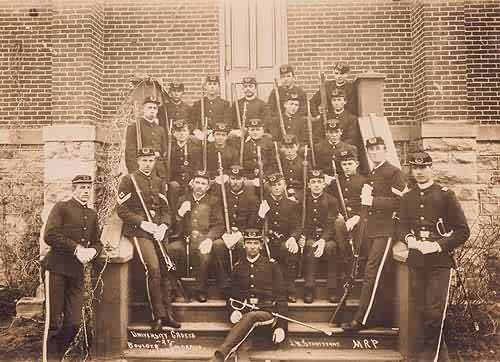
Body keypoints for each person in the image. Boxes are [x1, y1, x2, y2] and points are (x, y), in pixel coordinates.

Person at [399, 152, 470, 362]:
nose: (419, 172)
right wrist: (409, 238)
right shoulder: (407, 197)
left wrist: (438, 245)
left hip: (439, 263)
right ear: (411, 170)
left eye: (423, 168)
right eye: (415, 168)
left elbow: (462, 231)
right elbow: (400, 226)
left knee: (434, 313)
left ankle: (431, 359)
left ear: (431, 168)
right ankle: (431, 358)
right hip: (416, 261)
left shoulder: (446, 195)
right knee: (418, 313)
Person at [342, 136, 406, 332]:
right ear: (368, 153)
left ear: (385, 150)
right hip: (371, 230)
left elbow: (402, 203)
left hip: (386, 231)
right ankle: (384, 318)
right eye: (371, 150)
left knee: (372, 273)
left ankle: (361, 320)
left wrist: (373, 201)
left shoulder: (393, 172)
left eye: (379, 148)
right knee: (381, 275)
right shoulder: (372, 173)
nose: (375, 152)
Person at [117, 148, 181, 330]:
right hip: (140, 231)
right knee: (152, 268)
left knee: (165, 270)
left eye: (150, 160)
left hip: (158, 231)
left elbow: (166, 209)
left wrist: (163, 226)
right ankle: (157, 316)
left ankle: (169, 315)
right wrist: (143, 224)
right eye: (144, 160)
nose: (147, 163)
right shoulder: (129, 180)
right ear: (138, 161)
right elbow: (121, 210)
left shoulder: (159, 181)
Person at [42, 175, 102, 362]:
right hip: (56, 269)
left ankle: (57, 356)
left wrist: (93, 250)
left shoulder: (92, 214)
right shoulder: (62, 207)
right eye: (81, 187)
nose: (85, 191)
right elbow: (50, 235)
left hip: (76, 273)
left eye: (88, 187)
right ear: (74, 189)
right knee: (54, 323)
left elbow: (97, 242)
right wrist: (76, 248)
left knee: (74, 323)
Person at [209, 229, 287, 362]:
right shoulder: (238, 267)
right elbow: (232, 296)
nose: (252, 246)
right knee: (241, 346)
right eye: (249, 242)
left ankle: (219, 356)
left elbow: (281, 297)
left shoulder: (271, 265)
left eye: (255, 243)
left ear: (261, 245)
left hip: (267, 314)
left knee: (250, 317)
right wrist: (233, 311)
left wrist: (281, 326)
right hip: (245, 318)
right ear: (244, 245)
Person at [167, 170, 224, 302]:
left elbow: (219, 225)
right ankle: (173, 289)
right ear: (192, 184)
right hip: (184, 239)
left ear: (208, 187)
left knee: (205, 255)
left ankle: (200, 290)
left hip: (203, 239)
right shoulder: (182, 199)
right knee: (171, 250)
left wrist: (209, 239)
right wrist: (180, 214)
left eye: (203, 183)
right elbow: (173, 226)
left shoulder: (213, 201)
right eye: (197, 182)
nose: (199, 186)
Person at [299, 169, 345, 304]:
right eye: (313, 182)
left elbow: (331, 223)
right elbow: (301, 221)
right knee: (310, 246)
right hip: (310, 235)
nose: (316, 185)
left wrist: (323, 240)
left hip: (328, 237)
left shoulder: (332, 201)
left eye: (319, 182)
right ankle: (309, 288)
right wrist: (304, 236)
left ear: (324, 184)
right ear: (308, 185)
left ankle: (332, 288)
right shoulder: (303, 200)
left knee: (331, 247)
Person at [213, 165, 260, 293]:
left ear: (244, 179)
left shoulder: (252, 199)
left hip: (242, 234)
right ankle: (223, 284)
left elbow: (252, 222)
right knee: (217, 245)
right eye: (232, 179)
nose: (235, 182)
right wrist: (225, 234)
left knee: (242, 245)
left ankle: (241, 282)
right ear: (228, 179)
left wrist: (239, 234)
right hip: (224, 233)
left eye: (238, 179)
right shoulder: (222, 196)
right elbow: (218, 218)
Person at [257, 172, 301, 302]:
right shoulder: (262, 202)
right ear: (269, 187)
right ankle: (264, 292)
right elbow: (252, 225)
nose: (276, 188)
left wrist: (293, 238)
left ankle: (290, 289)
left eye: (279, 184)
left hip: (284, 241)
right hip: (266, 241)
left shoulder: (291, 205)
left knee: (289, 250)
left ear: (285, 185)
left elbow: (297, 226)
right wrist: (260, 215)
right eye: (273, 185)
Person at [125, 96, 168, 180]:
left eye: (155, 108)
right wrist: (134, 172)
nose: (152, 110)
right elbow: (130, 153)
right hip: (142, 169)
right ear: (143, 109)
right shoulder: (134, 127)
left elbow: (164, 152)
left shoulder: (161, 129)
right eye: (149, 107)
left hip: (159, 171)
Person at [168, 119, 202, 207]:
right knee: (173, 187)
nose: (181, 134)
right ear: (174, 133)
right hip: (176, 181)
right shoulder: (169, 150)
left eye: (184, 131)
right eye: (178, 131)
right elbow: (166, 168)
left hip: (191, 179)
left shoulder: (195, 149)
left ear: (188, 133)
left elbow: (198, 166)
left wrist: (194, 179)